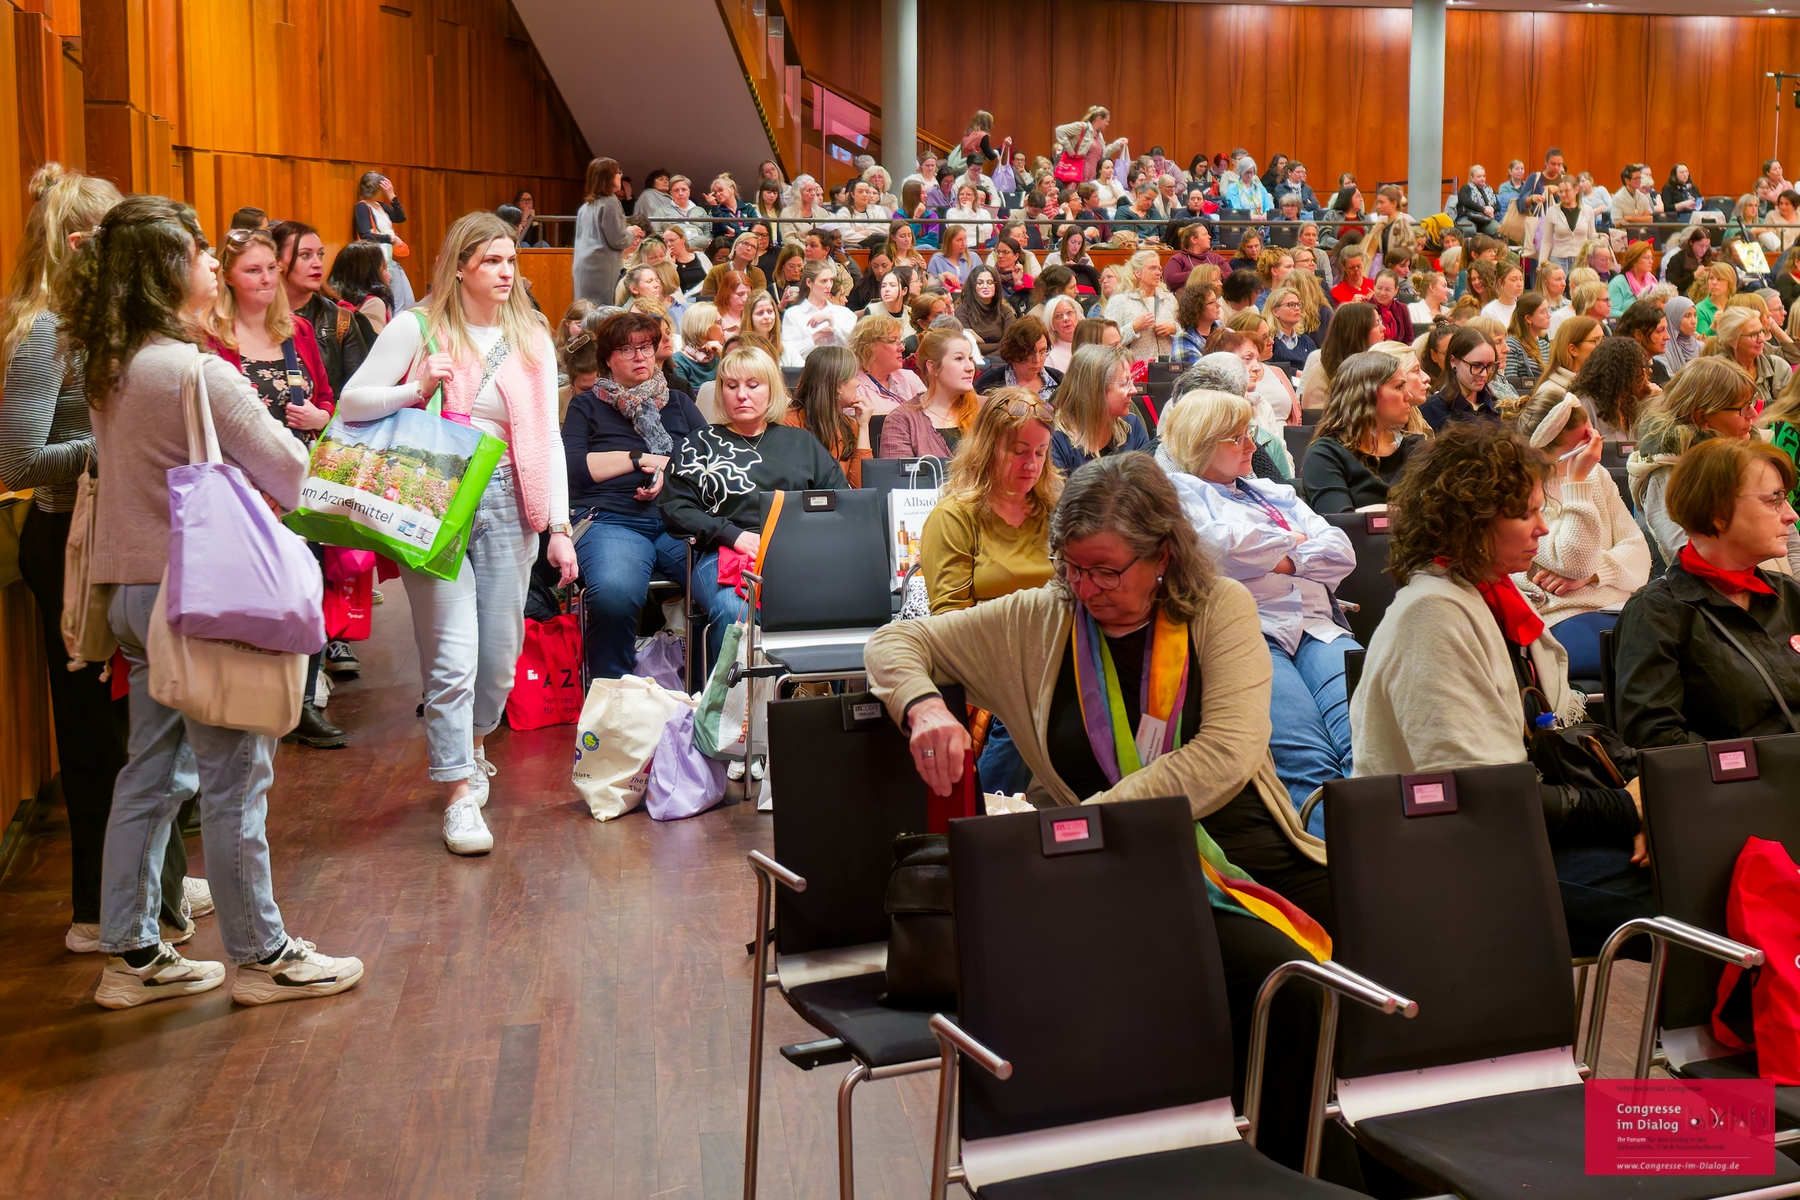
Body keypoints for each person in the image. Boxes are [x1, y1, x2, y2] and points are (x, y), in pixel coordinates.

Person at [867, 452, 1335, 1172]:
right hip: (1123, 870)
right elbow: (895, 641)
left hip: (1242, 847)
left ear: (1163, 556)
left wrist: (1090, 817)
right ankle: (1278, 1170)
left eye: (1108, 571)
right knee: (1289, 979)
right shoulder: (1039, 619)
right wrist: (923, 704)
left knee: (1386, 936)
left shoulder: (1218, 607)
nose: (1086, 588)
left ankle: (1347, 1151)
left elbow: (1227, 753)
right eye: (1072, 567)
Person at [59, 193, 364, 1007]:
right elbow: (291, 472)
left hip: (133, 594)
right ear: (167, 269)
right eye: (200, 253)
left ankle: (132, 955)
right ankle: (263, 957)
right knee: (236, 781)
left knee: (151, 774)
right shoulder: (196, 372)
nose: (212, 265)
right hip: (199, 596)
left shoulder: (111, 362)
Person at [0, 164, 208, 956]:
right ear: (85, 243)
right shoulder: (43, 333)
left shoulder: (99, 328)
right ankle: (99, 911)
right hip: (68, 541)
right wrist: (115, 447)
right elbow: (17, 461)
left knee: (141, 729)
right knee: (102, 738)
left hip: (109, 533)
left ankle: (154, 889)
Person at [1351, 421, 1653, 955]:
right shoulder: (1431, 617)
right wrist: (1624, 810)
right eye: (1526, 514)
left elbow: (1554, 741)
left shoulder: (1491, 596)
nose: (1543, 527)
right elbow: (1484, 793)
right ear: (1471, 520)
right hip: (1456, 861)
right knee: (1691, 890)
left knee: (1695, 855)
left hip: (1519, 829)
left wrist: (1644, 798)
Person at [341, 212, 576, 856]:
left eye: (511, 261)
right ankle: (458, 793)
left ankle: (473, 746)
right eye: (492, 261)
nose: (506, 272)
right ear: (460, 266)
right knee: (451, 655)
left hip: (507, 497)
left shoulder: (531, 335)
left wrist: (559, 526)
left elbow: (549, 438)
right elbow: (351, 402)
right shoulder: (416, 326)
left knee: (498, 658)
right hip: (434, 496)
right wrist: (415, 389)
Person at [1159, 389, 1356, 835]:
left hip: (1317, 626)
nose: (1252, 445)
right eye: (1237, 437)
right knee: (1307, 759)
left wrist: (1281, 558)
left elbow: (1343, 551)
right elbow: (1219, 550)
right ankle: (1333, 859)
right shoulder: (1178, 493)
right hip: (1250, 633)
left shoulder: (1271, 491)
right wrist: (1299, 545)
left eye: (1249, 433)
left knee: (1367, 735)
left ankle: (1386, 849)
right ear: (1201, 441)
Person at [203, 227, 342, 746]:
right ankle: (247, 704)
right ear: (228, 278)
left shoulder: (297, 331)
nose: (264, 279)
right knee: (251, 602)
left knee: (306, 591)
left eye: (269, 269)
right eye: (252, 271)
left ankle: (301, 702)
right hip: (242, 494)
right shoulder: (210, 339)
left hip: (300, 488)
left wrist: (320, 415)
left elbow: (327, 398)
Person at [660, 345, 847, 667]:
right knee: (734, 609)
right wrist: (733, 535)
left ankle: (810, 690)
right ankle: (732, 696)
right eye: (731, 386)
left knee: (838, 599)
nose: (741, 395)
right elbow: (676, 508)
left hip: (796, 555)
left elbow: (839, 501)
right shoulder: (699, 444)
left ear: (771, 389)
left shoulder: (801, 443)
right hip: (722, 553)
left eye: (752, 385)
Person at [1615, 437, 1800, 750]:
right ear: (1717, 511)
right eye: (1774, 499)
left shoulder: (1790, 594)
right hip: (1741, 779)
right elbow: (1657, 741)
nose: (1791, 515)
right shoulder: (1657, 613)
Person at [917, 389, 1058, 794]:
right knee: (1028, 706)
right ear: (988, 449)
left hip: (1052, 649)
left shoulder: (1054, 509)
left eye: (1040, 452)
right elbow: (950, 619)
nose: (1031, 464)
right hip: (984, 655)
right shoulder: (954, 516)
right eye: (1019, 451)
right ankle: (987, 810)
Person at [561, 311, 703, 681]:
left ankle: (706, 691)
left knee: (726, 590)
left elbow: (707, 464)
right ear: (608, 359)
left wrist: (667, 472)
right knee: (614, 595)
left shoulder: (679, 403)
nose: (640, 356)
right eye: (627, 349)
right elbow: (573, 469)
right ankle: (611, 698)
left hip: (678, 520)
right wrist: (639, 459)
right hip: (610, 519)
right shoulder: (586, 405)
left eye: (646, 348)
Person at [1512, 393, 1651, 680]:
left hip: (1619, 607)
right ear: (1544, 455)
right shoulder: (1521, 489)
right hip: (1562, 616)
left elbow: (1639, 553)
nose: (1594, 450)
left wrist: (1594, 575)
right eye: (1583, 445)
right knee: (1644, 665)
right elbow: (1575, 561)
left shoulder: (1597, 475)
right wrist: (1576, 483)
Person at [1627, 357, 1762, 566]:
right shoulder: (1668, 470)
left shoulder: (1749, 452)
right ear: (1701, 417)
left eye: (1752, 403)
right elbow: (1683, 552)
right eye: (1742, 408)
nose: (1753, 414)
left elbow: (1789, 539)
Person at [1302, 350, 1422, 513]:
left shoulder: (1416, 447)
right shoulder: (1325, 454)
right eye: (1399, 387)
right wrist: (1401, 513)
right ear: (1367, 394)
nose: (1408, 396)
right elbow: (1339, 520)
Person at [880, 326, 980, 458]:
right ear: (932, 367)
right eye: (959, 359)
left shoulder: (983, 412)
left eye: (970, 358)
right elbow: (899, 471)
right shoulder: (901, 420)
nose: (970, 367)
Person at [1050, 343, 1151, 472]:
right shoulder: (1056, 440)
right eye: (1125, 383)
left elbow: (1149, 481)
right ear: (1096, 390)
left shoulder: (1132, 427)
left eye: (1131, 381)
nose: (1134, 390)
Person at [785, 344, 870, 486]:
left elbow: (861, 486)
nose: (858, 383)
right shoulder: (789, 424)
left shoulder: (851, 425)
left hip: (842, 499)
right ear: (838, 386)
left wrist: (864, 427)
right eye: (855, 376)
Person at [1702, 304, 1792, 410]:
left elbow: (1790, 411)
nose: (1761, 339)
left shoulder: (1778, 367)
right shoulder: (1715, 373)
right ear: (1732, 340)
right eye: (1753, 334)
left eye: (1761, 331)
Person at [1299, 301, 1382, 415]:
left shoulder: (1383, 366)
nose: (1383, 328)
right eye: (1377, 324)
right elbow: (1317, 420)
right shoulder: (1321, 374)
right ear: (1358, 331)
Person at [1567, 335, 1654, 439]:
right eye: (1641, 367)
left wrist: (1652, 402)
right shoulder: (1585, 405)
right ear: (1623, 373)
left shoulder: (1630, 404)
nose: (1647, 371)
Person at [352, 169, 414, 310]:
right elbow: (365, 235)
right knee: (397, 304)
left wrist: (392, 196)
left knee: (409, 300)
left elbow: (400, 217)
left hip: (391, 257)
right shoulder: (362, 207)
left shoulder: (380, 205)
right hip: (381, 260)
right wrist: (391, 239)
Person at [1419, 324, 1501, 430]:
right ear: (1453, 361)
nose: (1484, 374)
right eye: (1476, 365)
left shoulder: (1498, 408)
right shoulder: (1431, 410)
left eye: (1489, 365)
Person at [1104, 249, 1177, 363]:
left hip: (1168, 366)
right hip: (1134, 368)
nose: (1158, 273)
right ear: (1137, 272)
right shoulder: (1119, 301)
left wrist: (1174, 329)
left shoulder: (1169, 299)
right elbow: (1107, 341)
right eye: (1152, 268)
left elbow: (1185, 332)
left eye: (1159, 268)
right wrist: (1133, 327)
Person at [777, 260, 854, 368]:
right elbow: (790, 356)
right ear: (809, 282)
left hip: (841, 371)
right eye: (824, 281)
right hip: (808, 373)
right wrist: (818, 336)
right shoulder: (793, 314)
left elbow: (853, 349)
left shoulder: (845, 313)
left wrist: (833, 323)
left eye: (831, 280)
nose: (829, 285)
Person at [849, 311, 924, 416]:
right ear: (870, 347)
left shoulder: (909, 377)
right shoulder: (853, 387)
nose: (902, 348)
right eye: (893, 341)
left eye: (900, 341)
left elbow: (930, 411)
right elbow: (857, 423)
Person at [975, 315, 1060, 401]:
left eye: (1042, 352)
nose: (1037, 360)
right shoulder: (988, 382)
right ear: (1014, 352)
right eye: (1029, 353)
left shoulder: (1059, 381)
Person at [326, 241, 393, 332]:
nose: (389, 276)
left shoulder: (328, 301)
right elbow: (374, 341)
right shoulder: (374, 303)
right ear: (368, 273)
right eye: (384, 268)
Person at [1053, 106, 1128, 182]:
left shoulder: (1099, 134)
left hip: (1093, 176)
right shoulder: (1082, 127)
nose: (1107, 124)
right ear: (1099, 118)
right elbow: (1059, 130)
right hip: (1079, 175)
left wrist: (1117, 144)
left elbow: (1103, 153)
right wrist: (1070, 151)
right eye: (1106, 121)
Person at [954, 264, 1016, 356]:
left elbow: (1010, 346)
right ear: (973, 286)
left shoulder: (1006, 312)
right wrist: (999, 346)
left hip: (1001, 360)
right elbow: (967, 346)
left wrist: (986, 358)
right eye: (980, 283)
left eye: (990, 282)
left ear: (996, 286)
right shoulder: (962, 311)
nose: (985, 286)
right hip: (972, 360)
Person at [1614, 299, 1673, 387]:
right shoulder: (1621, 370)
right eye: (1660, 331)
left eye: (1666, 330)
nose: (1667, 337)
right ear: (1638, 335)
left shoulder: (1659, 367)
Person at [1503, 292, 1552, 388]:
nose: (1549, 315)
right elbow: (1510, 382)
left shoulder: (1545, 345)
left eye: (1548, 309)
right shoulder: (1512, 344)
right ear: (1528, 318)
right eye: (1543, 312)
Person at [1608, 241, 1659, 315]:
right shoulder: (1618, 283)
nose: (1651, 261)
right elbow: (1611, 312)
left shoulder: (1652, 279)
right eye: (1647, 258)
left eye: (1651, 258)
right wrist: (1635, 318)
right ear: (1634, 260)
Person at [926, 223, 979, 289]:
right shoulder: (936, 259)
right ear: (949, 242)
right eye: (959, 240)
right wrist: (943, 276)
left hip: (969, 295)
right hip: (945, 295)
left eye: (965, 239)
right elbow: (929, 288)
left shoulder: (974, 257)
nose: (964, 243)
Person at [1691, 262, 1737, 337]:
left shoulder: (1736, 304)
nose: (1714, 282)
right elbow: (1702, 340)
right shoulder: (1700, 310)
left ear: (1730, 282)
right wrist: (1714, 327)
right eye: (1711, 278)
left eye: (1719, 279)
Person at [1043, 293, 1085, 374]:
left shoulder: (1092, 342)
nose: (1065, 319)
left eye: (1069, 312)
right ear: (1052, 325)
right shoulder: (1050, 356)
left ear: (1077, 316)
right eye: (1058, 316)